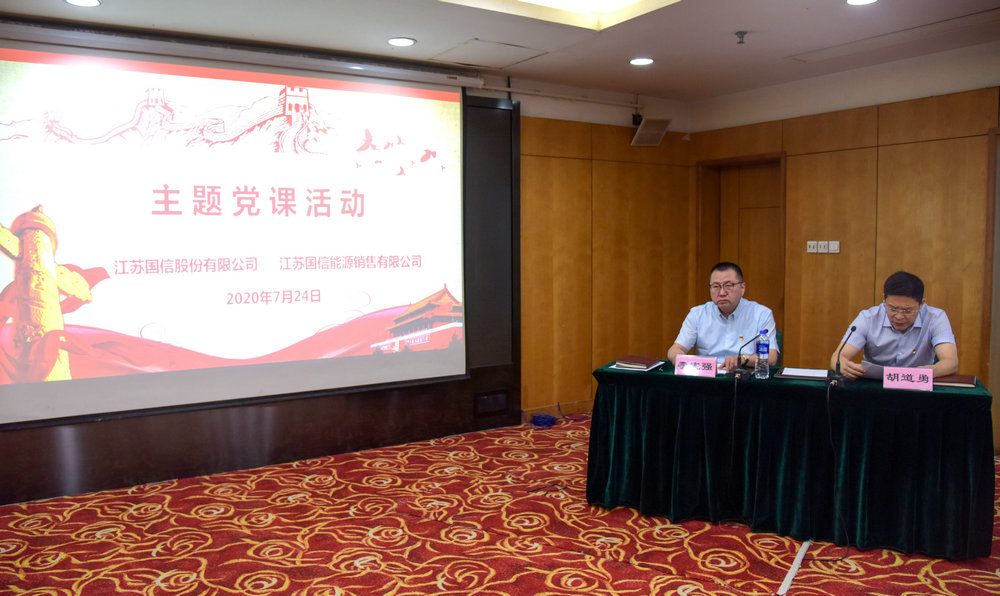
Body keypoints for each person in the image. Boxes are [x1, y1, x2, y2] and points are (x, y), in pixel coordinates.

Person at [830, 271, 958, 379]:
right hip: (876, 388)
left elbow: (951, 362)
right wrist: (843, 366)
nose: (899, 316)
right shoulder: (868, 318)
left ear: (921, 304)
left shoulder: (935, 318)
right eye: (892, 308)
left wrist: (925, 372)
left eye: (907, 310)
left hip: (917, 386)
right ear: (884, 300)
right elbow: (838, 357)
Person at [667, 262, 778, 372]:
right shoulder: (697, 314)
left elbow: (772, 357)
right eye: (716, 286)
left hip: (744, 376)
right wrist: (680, 358)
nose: (722, 293)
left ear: (742, 288)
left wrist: (742, 359)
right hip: (707, 378)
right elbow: (675, 350)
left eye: (728, 286)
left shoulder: (761, 314)